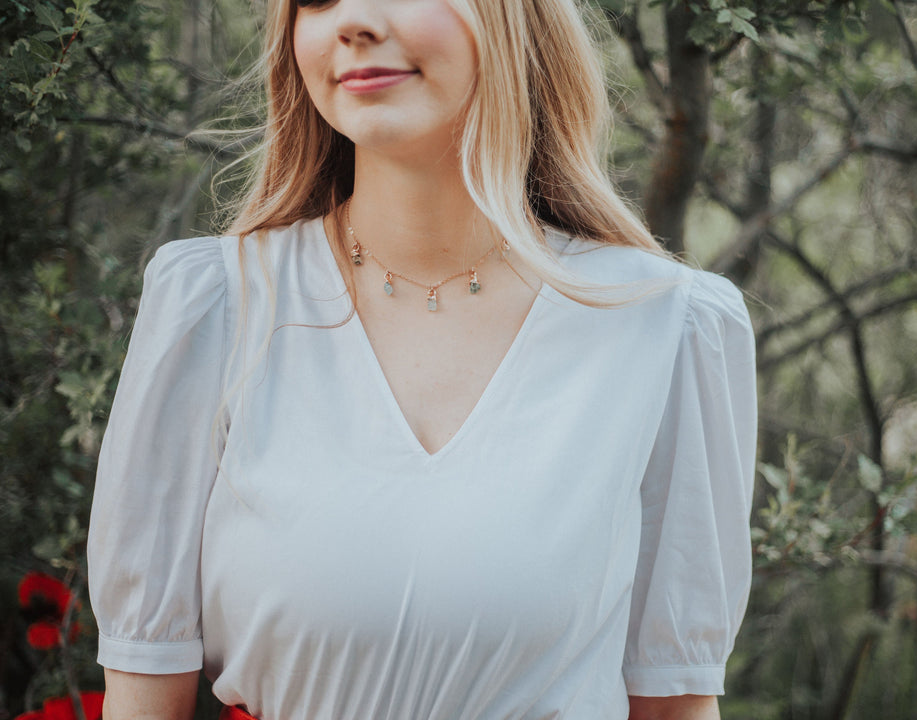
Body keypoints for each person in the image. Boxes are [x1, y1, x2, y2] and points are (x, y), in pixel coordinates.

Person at [86, 0, 758, 718]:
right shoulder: (215, 307)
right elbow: (141, 691)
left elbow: (675, 701)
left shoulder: (664, 324)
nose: (353, 22)